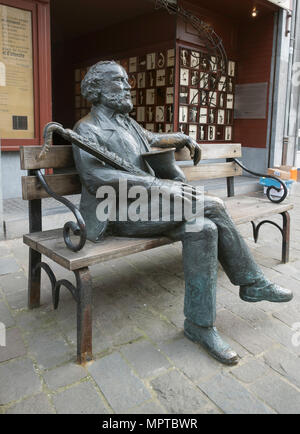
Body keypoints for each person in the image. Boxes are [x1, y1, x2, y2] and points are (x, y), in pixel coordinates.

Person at [72, 61, 293, 365]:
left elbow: (151, 139)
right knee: (212, 205)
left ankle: (199, 326)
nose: (127, 87)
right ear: (96, 90)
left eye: (126, 81)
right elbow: (94, 177)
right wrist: (159, 184)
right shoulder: (87, 128)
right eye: (119, 81)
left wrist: (181, 137)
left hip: (146, 206)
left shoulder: (126, 122)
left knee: (204, 229)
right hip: (118, 211)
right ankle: (251, 282)